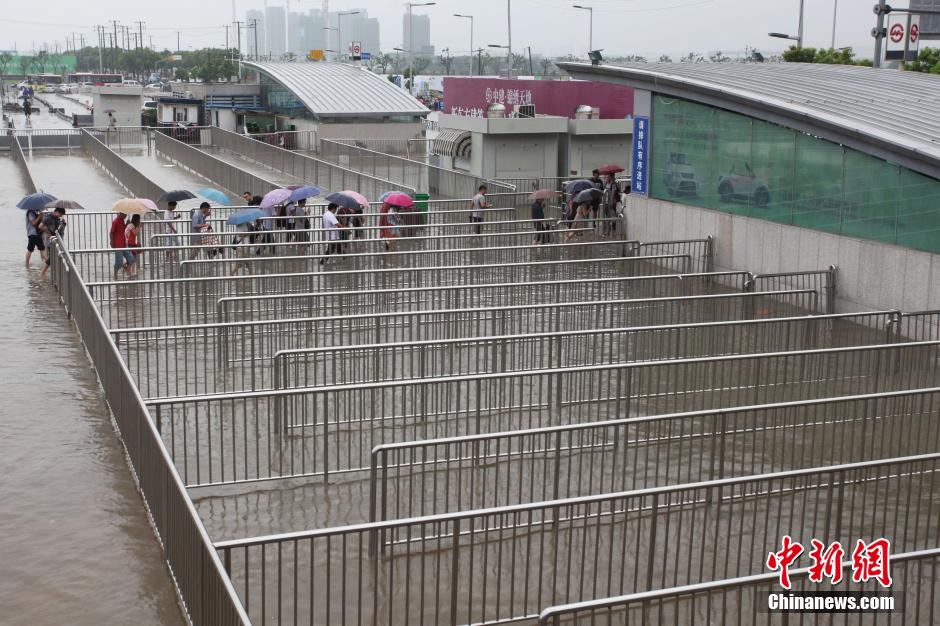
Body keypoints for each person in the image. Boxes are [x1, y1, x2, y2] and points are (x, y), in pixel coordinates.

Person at [110, 212, 136, 278]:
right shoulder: (115, 221)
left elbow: (122, 230)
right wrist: (112, 242)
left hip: (124, 244)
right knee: (119, 262)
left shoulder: (122, 221)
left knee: (131, 259)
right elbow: (111, 233)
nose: (126, 215)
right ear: (121, 213)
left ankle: (127, 269)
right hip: (118, 245)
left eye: (126, 214)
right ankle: (115, 274)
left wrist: (126, 224)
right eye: (124, 214)